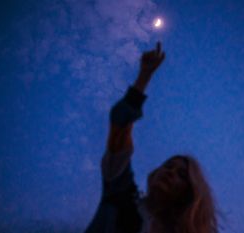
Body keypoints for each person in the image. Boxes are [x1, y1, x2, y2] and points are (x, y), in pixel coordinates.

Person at [84, 42, 220, 233]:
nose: (171, 172)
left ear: (188, 193)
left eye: (182, 175)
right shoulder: (120, 194)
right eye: (168, 165)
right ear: (155, 172)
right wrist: (144, 76)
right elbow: (120, 121)